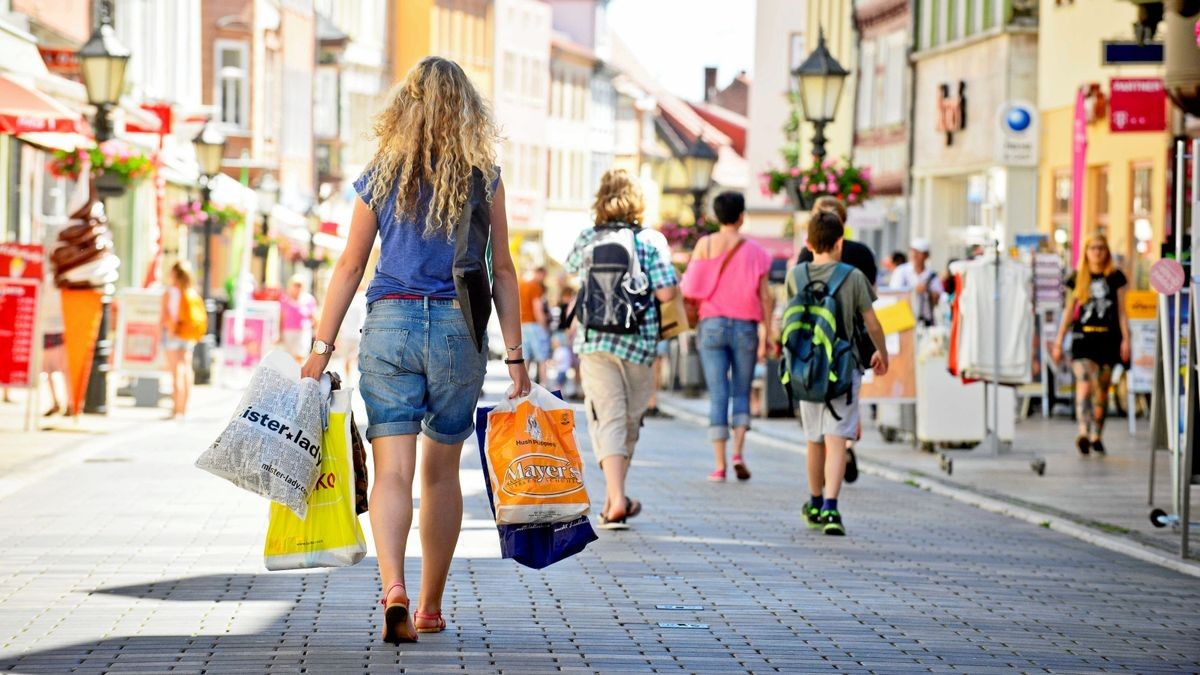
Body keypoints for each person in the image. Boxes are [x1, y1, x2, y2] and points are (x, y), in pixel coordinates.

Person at [301, 56, 530, 645]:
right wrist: (516, 356)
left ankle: (393, 588)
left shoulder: (384, 171)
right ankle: (429, 606)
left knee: (393, 470)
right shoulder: (484, 177)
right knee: (441, 474)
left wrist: (320, 348)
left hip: (390, 327)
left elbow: (350, 265)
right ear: (466, 111)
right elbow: (500, 269)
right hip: (459, 329)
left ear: (406, 108)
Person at [566, 168, 678, 530]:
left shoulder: (587, 237)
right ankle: (616, 499)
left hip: (595, 339)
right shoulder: (650, 240)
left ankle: (615, 499)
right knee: (629, 420)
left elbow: (572, 273)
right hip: (639, 341)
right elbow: (666, 293)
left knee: (608, 417)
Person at [792, 211, 889, 536]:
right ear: (840, 242)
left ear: (808, 243)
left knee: (813, 440)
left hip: (806, 369)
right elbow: (872, 322)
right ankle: (832, 508)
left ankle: (815, 502)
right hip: (843, 370)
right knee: (837, 441)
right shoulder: (854, 277)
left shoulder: (797, 275)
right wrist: (881, 352)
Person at [681, 191, 773, 482]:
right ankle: (738, 453)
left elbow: (690, 288)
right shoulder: (757, 252)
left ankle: (719, 465)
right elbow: (766, 297)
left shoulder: (705, 245)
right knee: (742, 391)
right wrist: (769, 332)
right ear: (742, 216)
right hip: (746, 326)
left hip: (712, 324)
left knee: (719, 394)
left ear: (716, 216)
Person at [1052, 234, 1130, 455]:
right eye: (1092, 248)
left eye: (1101, 248)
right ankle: (1083, 432)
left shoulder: (1116, 278)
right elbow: (1068, 312)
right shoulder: (1077, 278)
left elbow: (1122, 312)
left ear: (1106, 252)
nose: (1097, 252)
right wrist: (1059, 341)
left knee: (1102, 389)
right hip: (1083, 338)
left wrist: (1126, 338)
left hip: (1108, 338)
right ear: (1085, 252)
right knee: (1084, 383)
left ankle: (1097, 434)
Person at [161, 261, 199, 419]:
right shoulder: (191, 292)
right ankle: (184, 408)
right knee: (186, 369)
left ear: (175, 274)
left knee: (176, 371)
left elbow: (165, 316)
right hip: (188, 334)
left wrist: (165, 332)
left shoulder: (170, 292)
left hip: (173, 334)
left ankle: (176, 409)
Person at [889, 238, 943, 327]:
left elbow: (937, 299)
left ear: (926, 256)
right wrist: (914, 291)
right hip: (905, 322)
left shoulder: (932, 275)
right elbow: (893, 295)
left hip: (926, 322)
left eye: (918, 252)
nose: (914, 255)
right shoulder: (901, 271)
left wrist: (932, 295)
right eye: (913, 251)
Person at [518, 266, 551, 384]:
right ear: (539, 273)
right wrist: (544, 326)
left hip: (522, 324)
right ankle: (544, 385)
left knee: (525, 358)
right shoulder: (534, 286)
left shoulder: (520, 284)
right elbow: (537, 308)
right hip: (534, 325)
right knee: (542, 358)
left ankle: (524, 386)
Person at [336, 281, 369, 383]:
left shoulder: (364, 297)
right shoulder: (346, 296)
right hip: (347, 334)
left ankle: (359, 380)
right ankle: (348, 380)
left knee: (358, 358)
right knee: (346, 359)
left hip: (359, 334)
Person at [280, 274, 318, 360]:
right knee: (288, 357)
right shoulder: (285, 299)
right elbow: (281, 317)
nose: (297, 288)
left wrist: (317, 332)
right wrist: (279, 334)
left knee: (301, 355)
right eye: (295, 285)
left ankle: (297, 373)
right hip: (288, 332)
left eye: (300, 285)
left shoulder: (309, 300)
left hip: (303, 332)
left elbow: (314, 317)